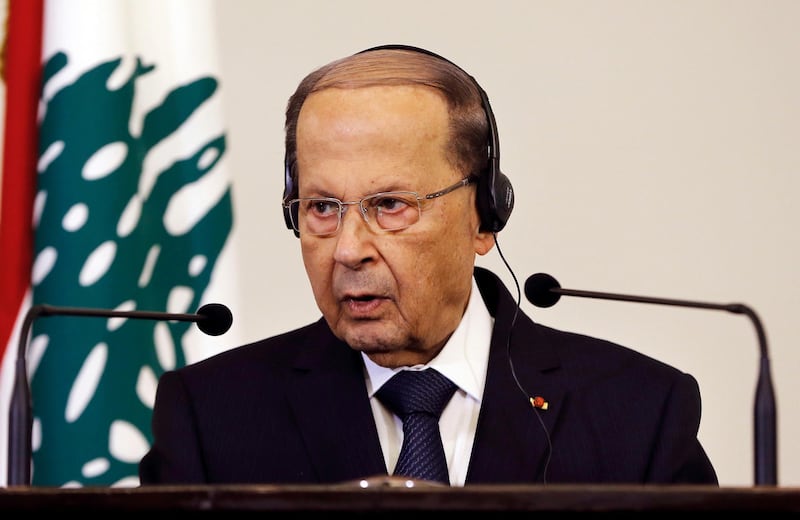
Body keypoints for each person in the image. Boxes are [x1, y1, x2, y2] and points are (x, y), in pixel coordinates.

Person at [138, 44, 718, 486]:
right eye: (321, 208)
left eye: (389, 205)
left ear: (484, 216)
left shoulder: (639, 411)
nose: (347, 248)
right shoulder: (212, 416)